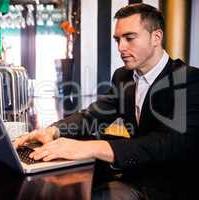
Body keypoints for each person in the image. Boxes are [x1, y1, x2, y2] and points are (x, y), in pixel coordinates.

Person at [14, 3, 199, 199]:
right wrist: (53, 130)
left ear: (156, 37)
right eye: (118, 40)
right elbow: (93, 115)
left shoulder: (190, 79)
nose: (121, 47)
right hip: (134, 172)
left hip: (172, 186)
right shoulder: (123, 76)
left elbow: (166, 143)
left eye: (129, 38)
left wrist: (88, 148)